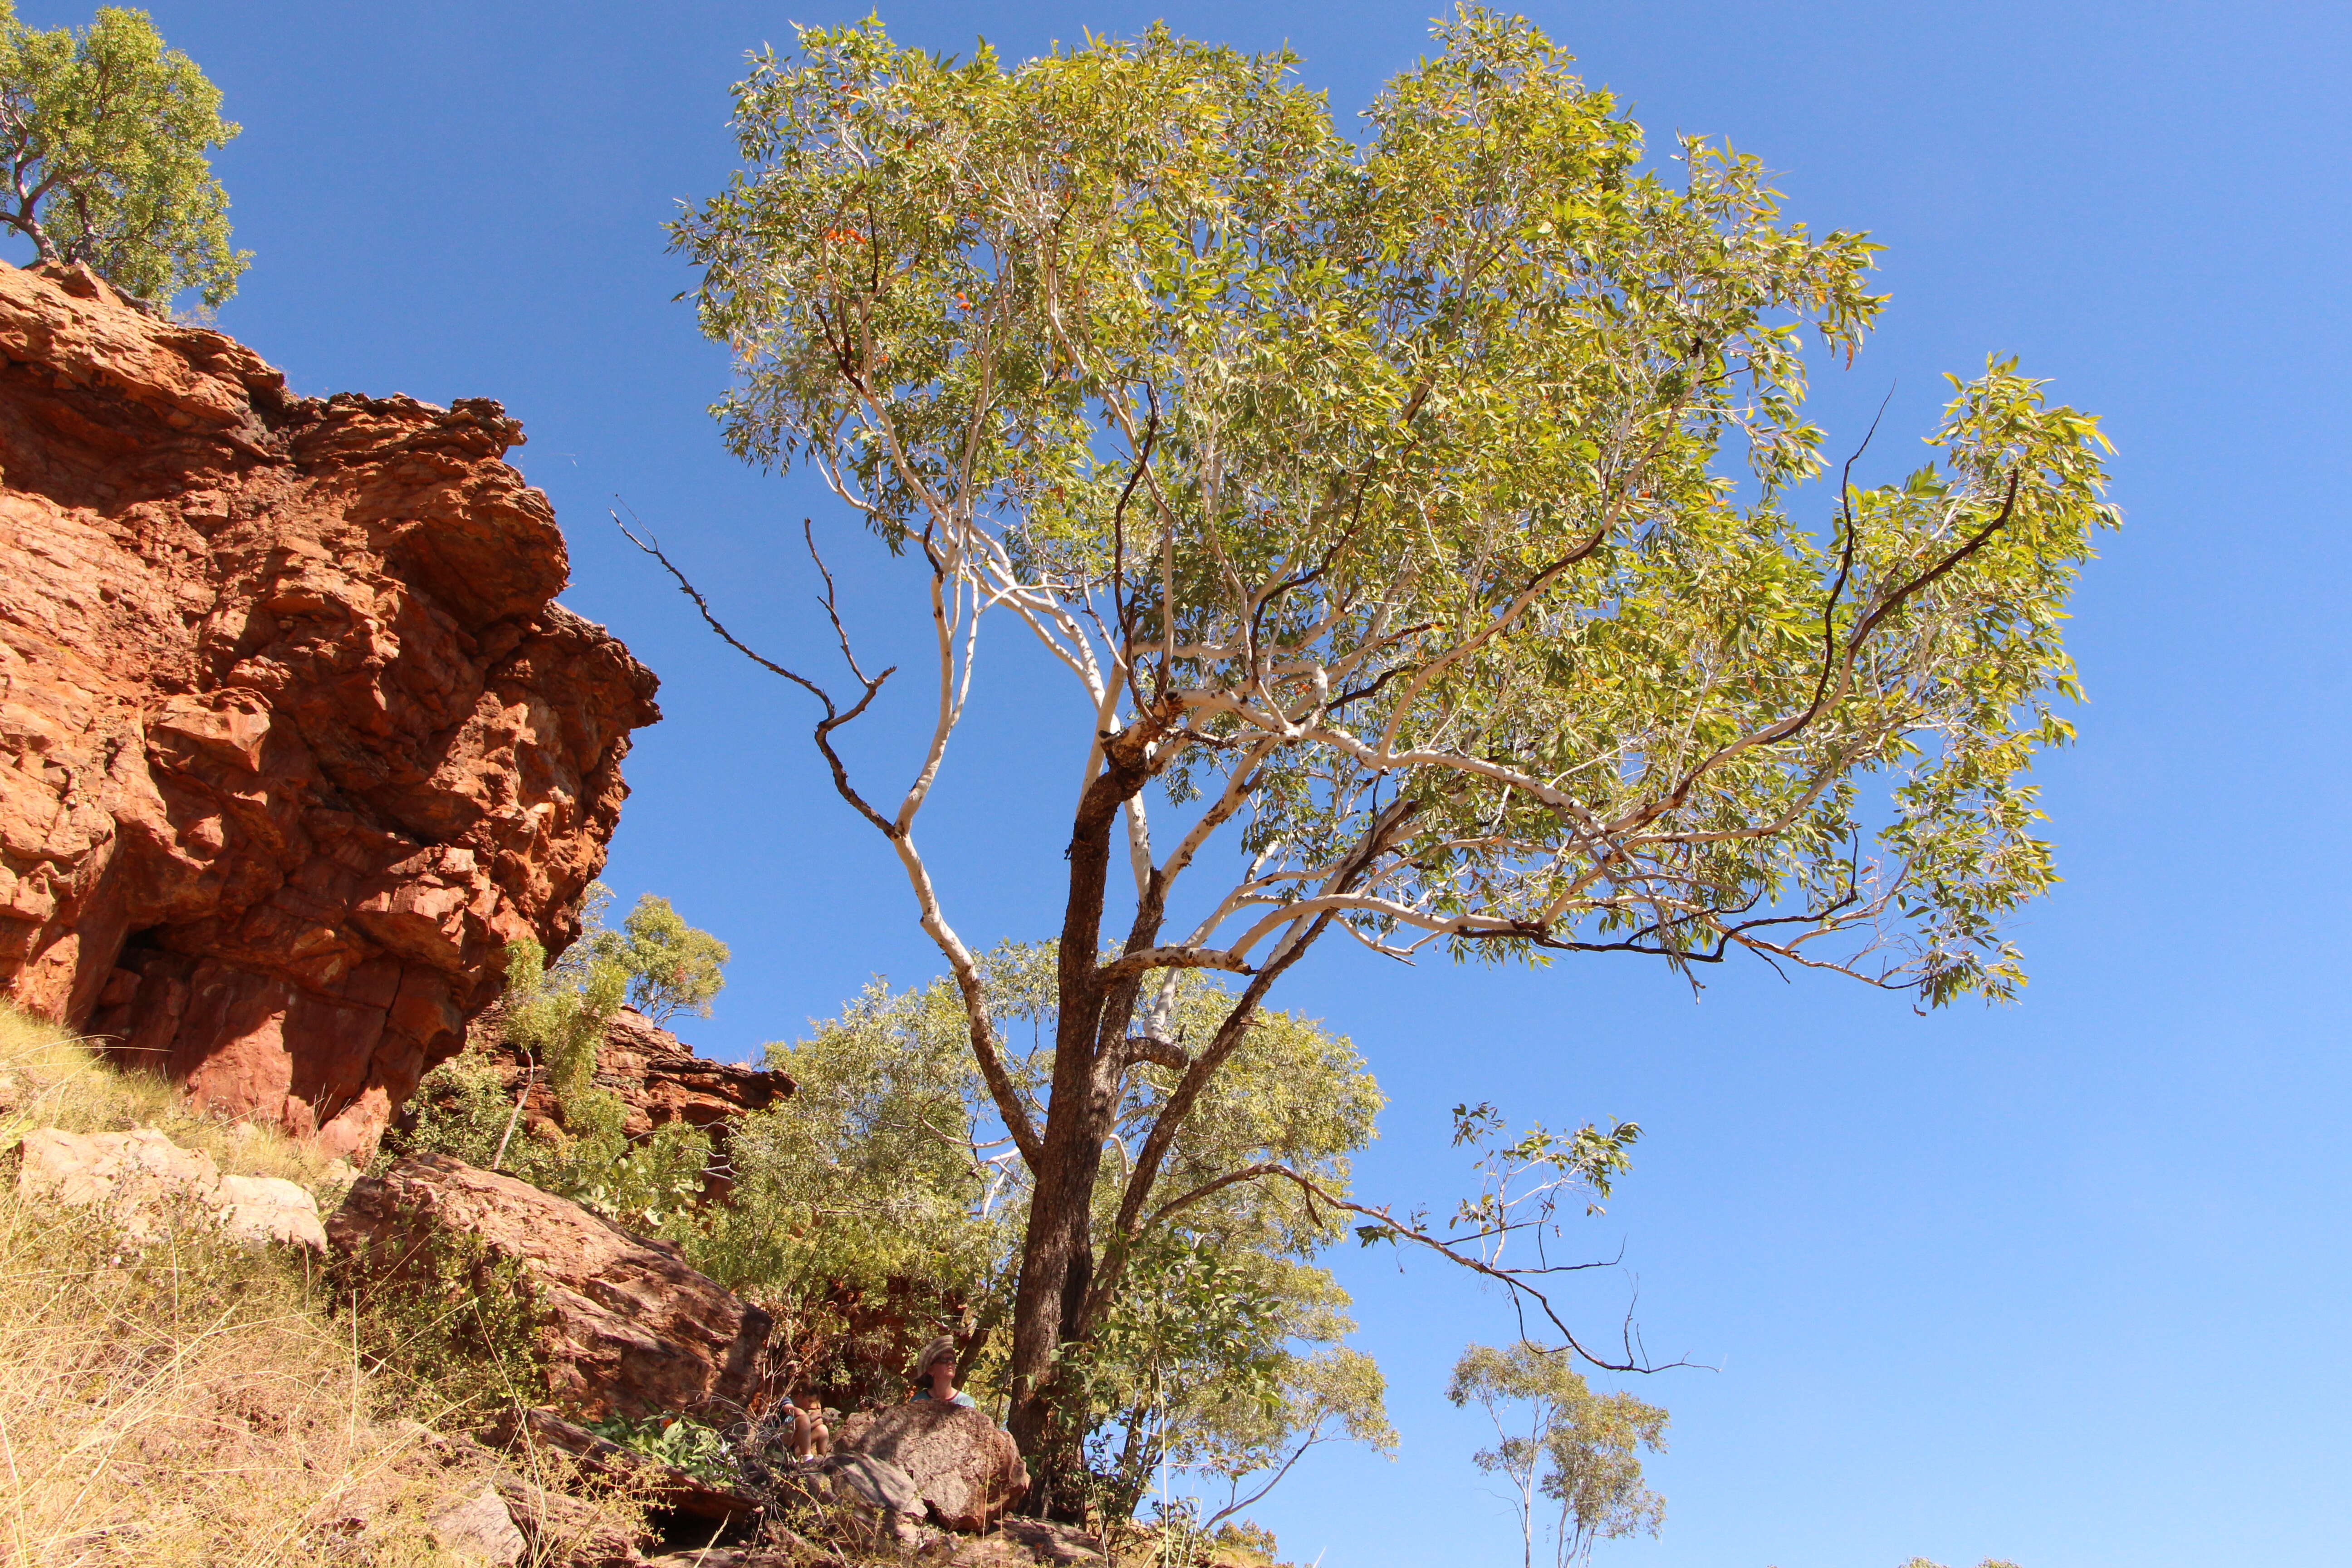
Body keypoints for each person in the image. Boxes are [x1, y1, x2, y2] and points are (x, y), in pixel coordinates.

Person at [908, 1335, 977, 1410]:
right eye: (943, 1360)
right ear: (931, 1370)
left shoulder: (966, 1402)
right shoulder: (917, 1401)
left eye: (952, 1359)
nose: (950, 1363)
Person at [786, 1387, 832, 1459]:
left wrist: (812, 1423)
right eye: (809, 1401)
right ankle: (808, 1459)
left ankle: (825, 1461)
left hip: (793, 1448)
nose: (810, 1405)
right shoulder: (787, 1401)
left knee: (822, 1429)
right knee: (804, 1419)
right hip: (780, 1443)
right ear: (801, 1396)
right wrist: (809, 1419)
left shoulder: (803, 1410)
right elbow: (798, 1418)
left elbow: (801, 1430)